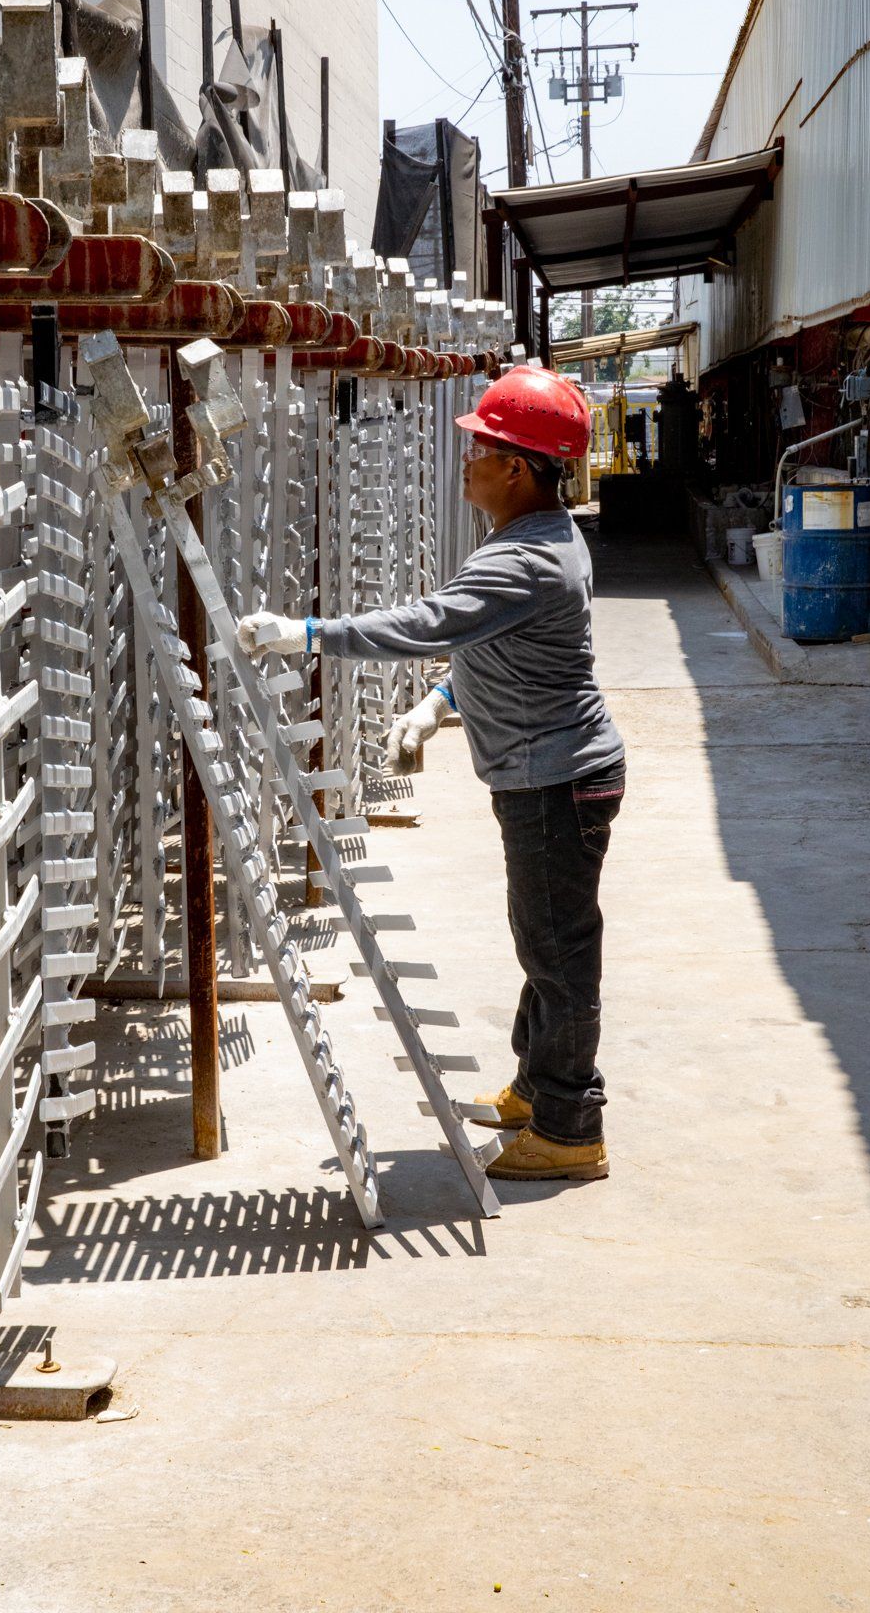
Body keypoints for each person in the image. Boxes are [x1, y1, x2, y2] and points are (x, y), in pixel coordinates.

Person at [236, 366, 625, 1184]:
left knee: (560, 951)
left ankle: (569, 1126)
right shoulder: (529, 538)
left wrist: (304, 632)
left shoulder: (528, 560)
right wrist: (440, 703)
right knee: (541, 938)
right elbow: (496, 647)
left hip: (556, 782)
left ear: (517, 467)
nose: (467, 461)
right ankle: (536, 1087)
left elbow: (423, 624)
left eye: (479, 447)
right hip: (544, 773)